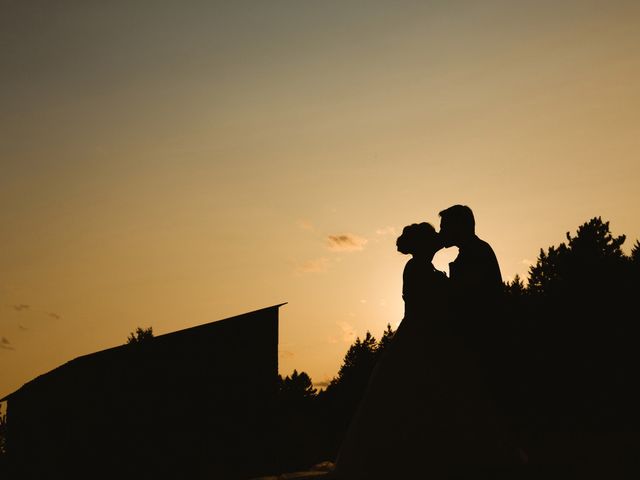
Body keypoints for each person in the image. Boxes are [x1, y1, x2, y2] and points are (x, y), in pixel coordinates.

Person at [331, 222, 518, 480]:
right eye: (433, 236)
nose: (439, 238)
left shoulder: (424, 267)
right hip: (421, 338)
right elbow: (429, 303)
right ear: (423, 245)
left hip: (429, 336)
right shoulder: (417, 269)